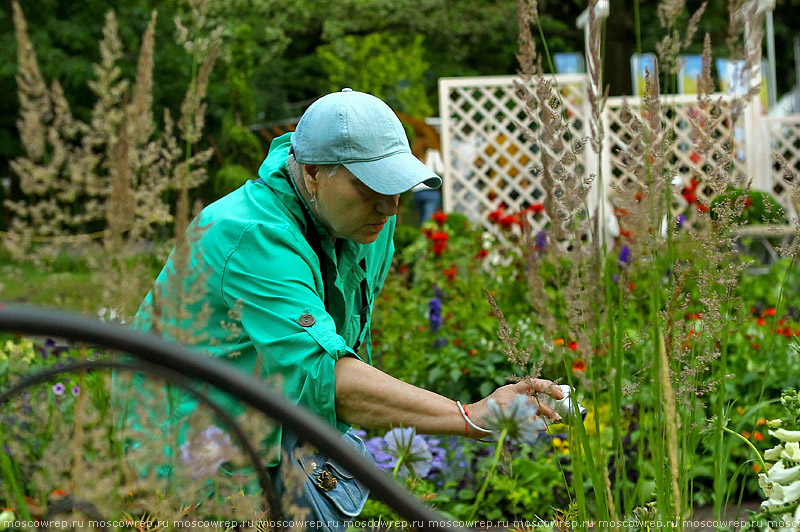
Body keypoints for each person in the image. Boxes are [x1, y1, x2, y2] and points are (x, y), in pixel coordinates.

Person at [131, 88, 564, 518]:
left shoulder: (366, 223)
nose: (390, 206)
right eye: (369, 186)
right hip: (193, 454)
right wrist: (470, 415)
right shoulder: (248, 235)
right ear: (315, 173)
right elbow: (322, 376)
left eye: (398, 187)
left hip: (270, 422)